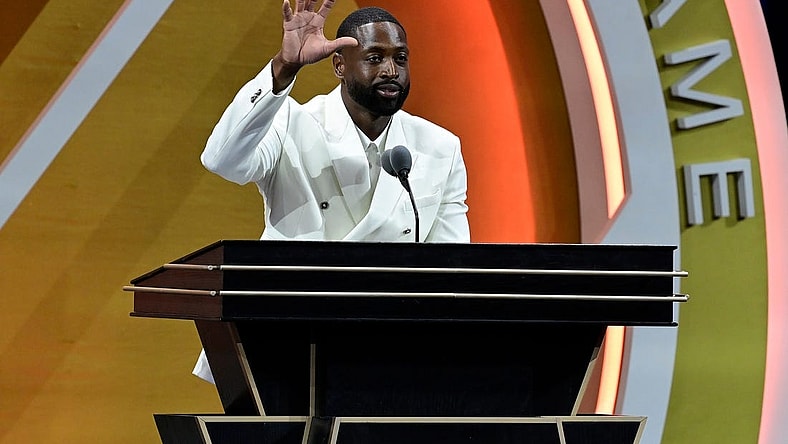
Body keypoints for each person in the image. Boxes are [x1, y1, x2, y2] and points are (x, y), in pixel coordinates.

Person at [193, 0, 470, 382]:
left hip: (391, 347)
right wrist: (284, 67)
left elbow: (454, 267)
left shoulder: (439, 147)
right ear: (339, 65)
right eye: (375, 58)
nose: (391, 71)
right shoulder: (292, 123)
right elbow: (221, 159)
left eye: (400, 58)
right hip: (286, 339)